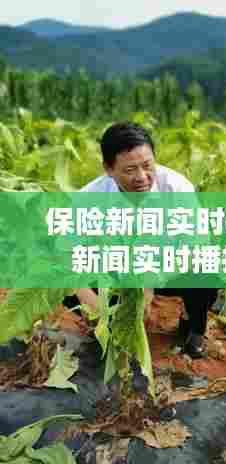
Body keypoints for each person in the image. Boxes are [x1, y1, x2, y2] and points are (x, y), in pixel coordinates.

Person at [63, 121, 217, 358]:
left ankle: (193, 325)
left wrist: (149, 282)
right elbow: (66, 253)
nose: (142, 177)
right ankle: (107, 323)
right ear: (109, 169)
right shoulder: (89, 198)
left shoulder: (176, 188)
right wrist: (90, 300)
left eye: (147, 166)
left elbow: (196, 246)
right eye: (129, 170)